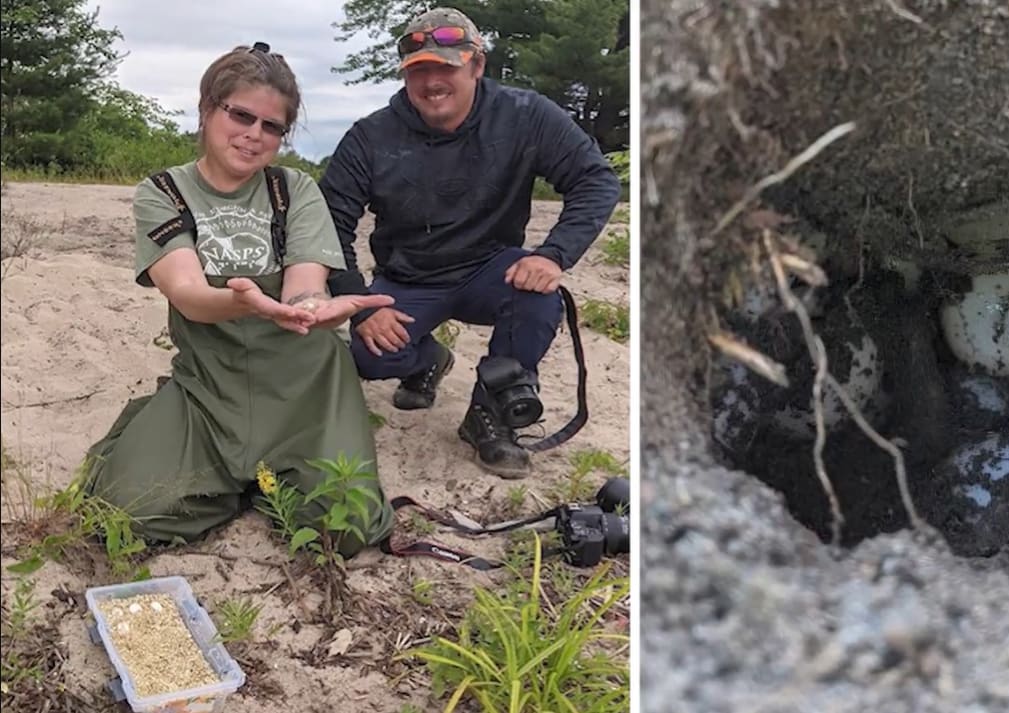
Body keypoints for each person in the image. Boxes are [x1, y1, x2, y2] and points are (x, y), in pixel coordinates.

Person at [83, 43, 396, 557]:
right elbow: (189, 296)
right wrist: (249, 302)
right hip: (210, 385)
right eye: (241, 115)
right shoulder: (163, 192)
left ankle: (254, 479)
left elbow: (304, 285)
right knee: (123, 514)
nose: (254, 135)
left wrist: (311, 309)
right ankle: (240, 479)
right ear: (208, 109)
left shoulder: (295, 189)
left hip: (305, 384)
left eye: (272, 126)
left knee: (347, 528)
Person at [319, 7, 622, 480]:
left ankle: (488, 415)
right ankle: (428, 360)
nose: (432, 81)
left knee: (539, 298)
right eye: (419, 70)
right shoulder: (369, 137)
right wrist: (361, 306)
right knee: (371, 356)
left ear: (477, 65)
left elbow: (596, 180)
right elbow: (329, 223)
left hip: (490, 267)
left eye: (447, 66)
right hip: (409, 276)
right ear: (405, 76)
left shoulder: (527, 115)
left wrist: (553, 253)